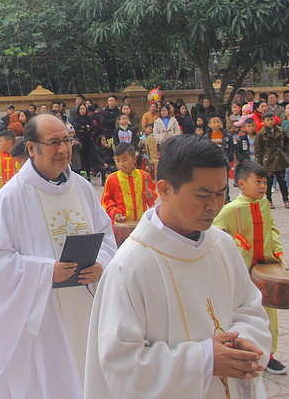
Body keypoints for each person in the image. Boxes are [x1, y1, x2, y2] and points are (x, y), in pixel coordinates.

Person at [84, 134, 271, 398]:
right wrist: (204, 360)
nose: (214, 206)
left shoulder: (222, 245)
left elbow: (250, 309)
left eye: (221, 194)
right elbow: (121, 363)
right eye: (203, 195)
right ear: (164, 190)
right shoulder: (131, 266)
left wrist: (245, 344)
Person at [0, 114, 118, 398]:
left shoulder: (81, 187)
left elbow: (106, 236)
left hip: (86, 304)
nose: (64, 150)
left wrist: (102, 263)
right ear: (31, 148)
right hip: (42, 313)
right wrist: (44, 272)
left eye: (67, 140)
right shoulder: (11, 197)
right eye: (53, 142)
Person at [213, 160, 288, 375]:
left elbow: (271, 230)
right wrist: (236, 242)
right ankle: (243, 353)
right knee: (242, 313)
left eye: (264, 182)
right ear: (241, 184)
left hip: (263, 269)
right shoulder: (231, 209)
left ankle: (268, 354)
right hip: (243, 272)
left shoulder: (264, 206)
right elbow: (216, 230)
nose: (263, 186)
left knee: (268, 314)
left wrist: (277, 250)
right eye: (258, 182)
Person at [101, 143, 157, 223]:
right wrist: (115, 213)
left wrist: (150, 195)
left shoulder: (144, 176)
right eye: (118, 160)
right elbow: (106, 201)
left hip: (140, 222)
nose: (121, 164)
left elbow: (152, 194)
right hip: (121, 222)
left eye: (125, 160)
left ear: (134, 159)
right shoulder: (111, 179)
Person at [255, 111, 289, 209]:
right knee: (269, 181)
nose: (270, 122)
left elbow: (287, 140)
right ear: (263, 121)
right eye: (268, 120)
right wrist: (259, 162)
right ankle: (269, 200)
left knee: (282, 180)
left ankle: (286, 199)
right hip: (268, 159)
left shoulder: (280, 130)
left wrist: (283, 150)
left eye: (272, 119)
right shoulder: (261, 133)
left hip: (279, 157)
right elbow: (258, 149)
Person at [206, 116, 235, 202]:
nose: (217, 124)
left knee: (224, 180)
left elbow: (231, 148)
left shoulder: (227, 136)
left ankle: (226, 198)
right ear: (209, 125)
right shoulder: (206, 137)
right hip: (211, 162)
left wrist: (229, 157)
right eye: (214, 122)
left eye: (218, 122)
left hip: (223, 161)